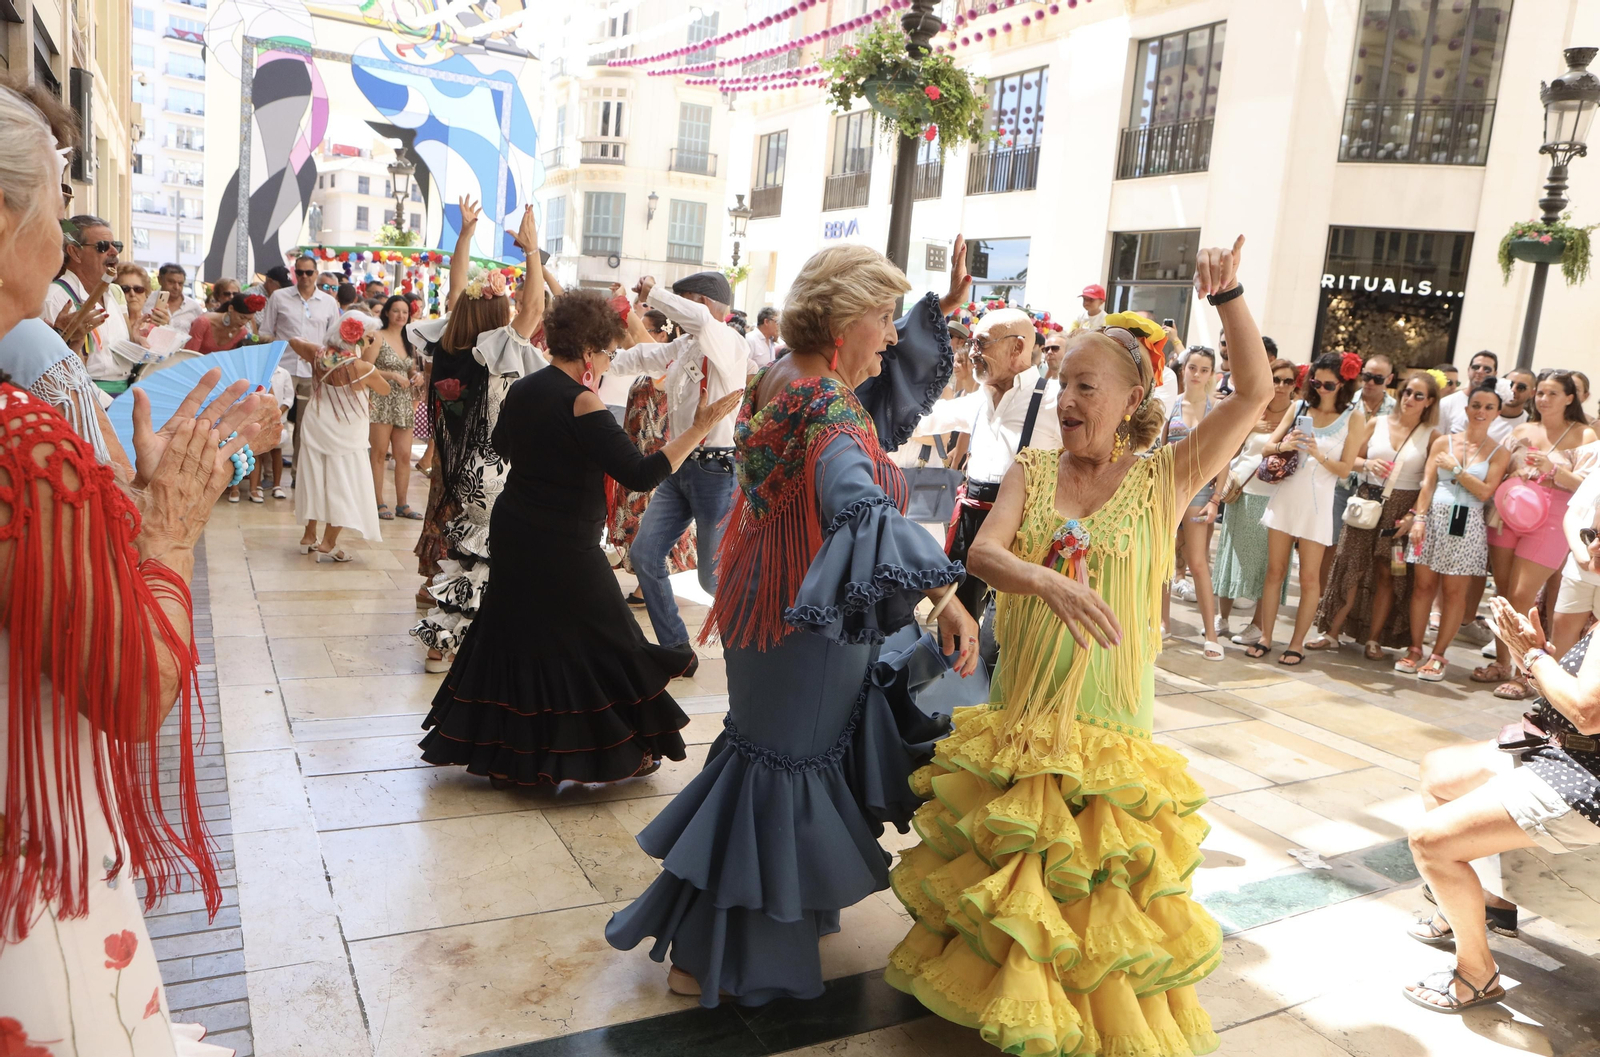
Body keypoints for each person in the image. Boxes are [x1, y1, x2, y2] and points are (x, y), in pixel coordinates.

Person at [885, 238, 1268, 1055]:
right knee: (1021, 886)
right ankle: (1015, 1011)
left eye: (1084, 386)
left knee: (1096, 895)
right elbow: (984, 554)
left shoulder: (1165, 477)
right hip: (1024, 717)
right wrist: (1047, 581)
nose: (1065, 399)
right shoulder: (1032, 467)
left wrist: (1229, 298)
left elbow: (1256, 395)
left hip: (1109, 726)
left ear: (1131, 399)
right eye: (1061, 383)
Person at [606, 242, 976, 1005]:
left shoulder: (787, 374)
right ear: (843, 321)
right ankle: (711, 955)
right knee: (783, 767)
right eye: (884, 317)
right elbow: (855, 498)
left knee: (768, 756)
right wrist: (943, 590)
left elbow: (864, 408)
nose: (893, 335)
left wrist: (937, 308)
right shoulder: (826, 407)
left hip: (768, 602)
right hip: (805, 620)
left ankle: (773, 914)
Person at [419, 290, 742, 786]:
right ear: (588, 351)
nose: (610, 361)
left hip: (517, 529)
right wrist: (699, 428)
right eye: (608, 352)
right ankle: (616, 749)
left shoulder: (525, 388)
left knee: (519, 634)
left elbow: (503, 446)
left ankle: (513, 754)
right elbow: (641, 473)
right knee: (610, 637)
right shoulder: (583, 401)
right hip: (564, 541)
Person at [1402, 598, 1600, 1013]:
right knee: (1437, 770)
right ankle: (1487, 904)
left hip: (1583, 778)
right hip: (1559, 750)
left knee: (1429, 842)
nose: (1588, 558)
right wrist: (1536, 658)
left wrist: (1534, 656)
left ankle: (1477, 975)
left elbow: (1587, 713)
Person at [409, 201, 545, 668]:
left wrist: (465, 236)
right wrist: (532, 252)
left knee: (475, 555)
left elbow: (455, 290)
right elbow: (535, 307)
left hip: (463, 468)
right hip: (496, 470)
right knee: (486, 558)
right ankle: (448, 642)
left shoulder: (449, 346)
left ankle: (461, 639)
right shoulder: (496, 351)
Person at [602, 270, 747, 669]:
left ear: (704, 305)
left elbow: (700, 320)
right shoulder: (685, 345)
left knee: (712, 579)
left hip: (716, 471)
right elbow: (636, 358)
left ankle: (757, 646)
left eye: (685, 301)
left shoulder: (727, 341)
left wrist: (654, 293)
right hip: (679, 466)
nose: (677, 311)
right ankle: (677, 650)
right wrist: (593, 355)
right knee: (645, 556)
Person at [946, 296, 1060, 644]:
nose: (972, 352)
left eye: (981, 343)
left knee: (1003, 634)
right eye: (971, 343)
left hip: (1021, 527)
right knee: (954, 624)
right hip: (969, 521)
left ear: (1017, 348)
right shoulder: (978, 399)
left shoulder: (1055, 400)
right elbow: (926, 419)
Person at [1475, 372, 1595, 699]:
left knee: (1521, 596)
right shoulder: (1522, 430)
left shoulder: (1584, 434)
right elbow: (1497, 470)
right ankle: (1502, 663)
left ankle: (1526, 675)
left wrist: (1552, 470)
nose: (1543, 399)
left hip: (1553, 518)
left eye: (1552, 393)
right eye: (1540, 393)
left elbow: (1587, 487)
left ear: (1570, 398)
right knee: (1503, 595)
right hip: (1511, 512)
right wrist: (1512, 473)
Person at [1246, 353, 1365, 664]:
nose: (1321, 389)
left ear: (1343, 384)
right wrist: (1286, 445)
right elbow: (1266, 447)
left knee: (1310, 578)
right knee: (1274, 571)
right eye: (1316, 382)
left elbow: (1345, 470)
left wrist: (1317, 453)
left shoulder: (1353, 417)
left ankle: (1297, 643)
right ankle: (1265, 637)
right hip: (1286, 497)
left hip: (1317, 504)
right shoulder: (1299, 407)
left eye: (1329, 384)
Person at [1311, 371, 1440, 657]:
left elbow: (1429, 483)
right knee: (1350, 565)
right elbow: (1350, 459)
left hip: (1401, 511)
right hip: (1367, 502)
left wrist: (1414, 516)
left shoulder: (1432, 435)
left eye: (1418, 395)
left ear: (1430, 401)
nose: (1410, 399)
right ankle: (1331, 633)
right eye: (1407, 392)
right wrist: (1367, 464)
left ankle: (1374, 639)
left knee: (1390, 573)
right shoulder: (1377, 423)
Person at [1397, 384, 1512, 681]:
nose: (1481, 411)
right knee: (1422, 586)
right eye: (1476, 405)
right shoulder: (1443, 442)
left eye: (1488, 407)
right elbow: (1428, 483)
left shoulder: (1499, 452)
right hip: (1433, 517)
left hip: (1467, 522)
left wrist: (1457, 470)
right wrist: (1419, 518)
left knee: (1453, 592)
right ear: (1466, 408)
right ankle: (1414, 648)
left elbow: (1485, 492)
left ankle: (1438, 655)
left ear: (1497, 413)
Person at [286, 311, 391, 561]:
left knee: (314, 478)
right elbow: (385, 390)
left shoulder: (318, 354)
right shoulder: (363, 368)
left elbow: (293, 341)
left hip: (316, 423)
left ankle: (308, 536)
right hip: (347, 431)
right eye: (370, 338)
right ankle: (328, 543)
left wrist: (321, 345)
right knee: (344, 484)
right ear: (357, 339)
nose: (371, 343)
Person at [43, 214, 170, 395]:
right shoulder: (54, 298)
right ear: (75, 252)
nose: (114, 252)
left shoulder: (114, 293)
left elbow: (117, 358)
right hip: (86, 395)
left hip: (125, 392)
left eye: (116, 246)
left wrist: (136, 340)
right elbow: (51, 369)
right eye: (102, 246)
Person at [1166, 345, 1225, 658]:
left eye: (1204, 370)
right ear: (1183, 369)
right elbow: (1161, 448)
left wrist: (1216, 499)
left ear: (1212, 374)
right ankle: (1161, 623)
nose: (1197, 374)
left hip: (1200, 491)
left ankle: (1211, 635)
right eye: (1192, 368)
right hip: (1168, 489)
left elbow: (1224, 456)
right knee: (1163, 559)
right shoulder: (1172, 404)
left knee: (1198, 562)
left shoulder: (1216, 409)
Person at [260, 254, 340, 479]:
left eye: (309, 272)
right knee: (273, 418)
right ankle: (270, 475)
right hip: (282, 367)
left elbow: (333, 339)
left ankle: (299, 474)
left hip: (313, 370)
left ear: (316, 273)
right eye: (300, 272)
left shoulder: (328, 302)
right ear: (295, 273)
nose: (304, 276)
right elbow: (265, 331)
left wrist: (325, 361)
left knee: (306, 424)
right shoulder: (279, 296)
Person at [367, 295, 424, 522]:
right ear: (387, 313)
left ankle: (403, 504)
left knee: (404, 454)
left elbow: (410, 368)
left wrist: (416, 375)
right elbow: (365, 368)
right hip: (381, 399)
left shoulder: (408, 339)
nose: (401, 315)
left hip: (403, 402)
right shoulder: (377, 336)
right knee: (379, 453)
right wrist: (391, 375)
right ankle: (378, 501)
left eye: (405, 312)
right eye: (396, 311)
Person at [1437, 351, 1498, 434]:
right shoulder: (1446, 403)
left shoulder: (1498, 405)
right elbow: (1437, 437)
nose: (1480, 371)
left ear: (1495, 374)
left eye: (1487, 369)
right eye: (1476, 367)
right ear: (1468, 370)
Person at [184, 291, 262, 356]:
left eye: (248, 320)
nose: (244, 322)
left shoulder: (241, 332)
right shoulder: (203, 322)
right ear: (231, 308)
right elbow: (189, 355)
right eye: (242, 317)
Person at [157, 264, 206, 331]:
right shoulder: (147, 301)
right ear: (160, 280)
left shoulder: (194, 307)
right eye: (171, 282)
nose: (176, 287)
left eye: (180, 283)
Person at [747, 304, 779, 370]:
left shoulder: (771, 340)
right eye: (777, 322)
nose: (778, 326)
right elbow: (745, 367)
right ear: (766, 322)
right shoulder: (750, 339)